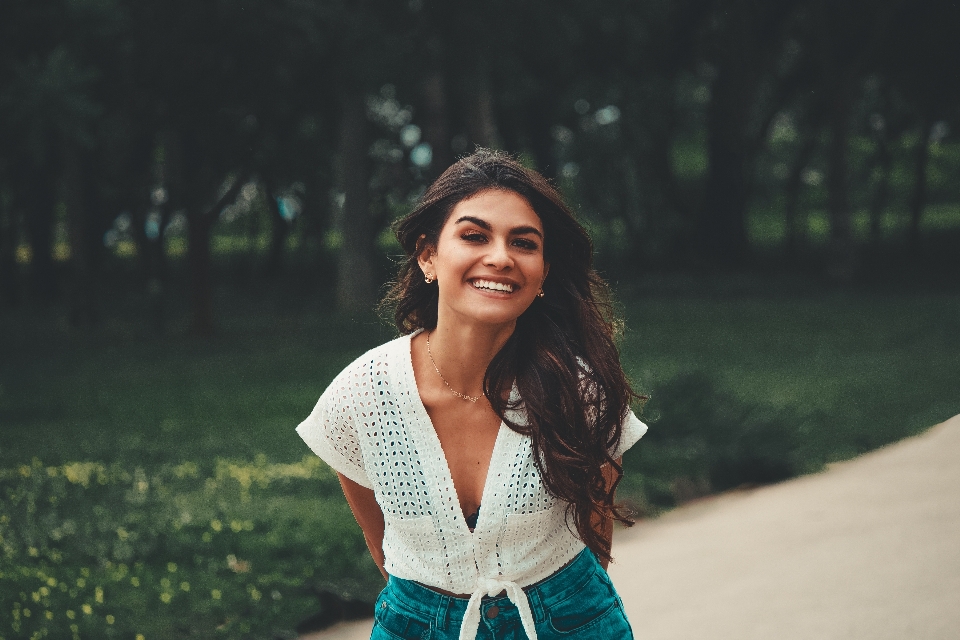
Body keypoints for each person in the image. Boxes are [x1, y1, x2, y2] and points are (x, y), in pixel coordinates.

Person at [297, 149, 647, 640]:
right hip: (415, 625)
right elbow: (384, 545)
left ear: (543, 273)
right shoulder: (361, 397)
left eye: (523, 243)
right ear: (428, 255)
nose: (500, 257)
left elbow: (596, 533)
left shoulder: (580, 391)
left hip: (570, 620)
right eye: (474, 235)